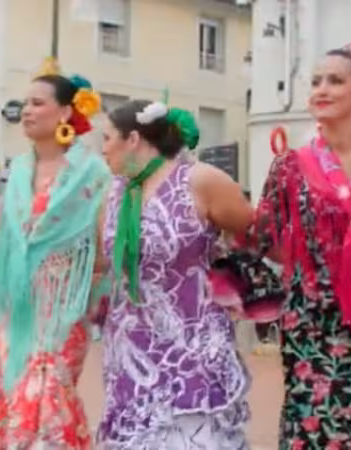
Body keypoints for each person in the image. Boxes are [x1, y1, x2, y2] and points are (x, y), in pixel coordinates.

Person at [247, 45, 351, 449]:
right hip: (314, 327)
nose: (321, 89)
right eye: (315, 82)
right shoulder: (291, 166)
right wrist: (315, 260)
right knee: (317, 427)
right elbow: (265, 238)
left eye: (335, 80)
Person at [97, 99, 252, 449]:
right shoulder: (114, 192)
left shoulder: (199, 180)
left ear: (133, 139)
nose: (102, 149)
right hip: (131, 351)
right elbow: (105, 261)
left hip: (193, 347)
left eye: (106, 138)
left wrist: (230, 281)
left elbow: (255, 233)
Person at [0, 72, 107, 448]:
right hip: (19, 308)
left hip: (64, 307)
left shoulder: (92, 173)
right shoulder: (18, 170)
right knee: (17, 393)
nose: (26, 110)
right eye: (25, 103)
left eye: (37, 103)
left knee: (49, 392)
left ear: (65, 113)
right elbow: (8, 240)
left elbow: (103, 247)